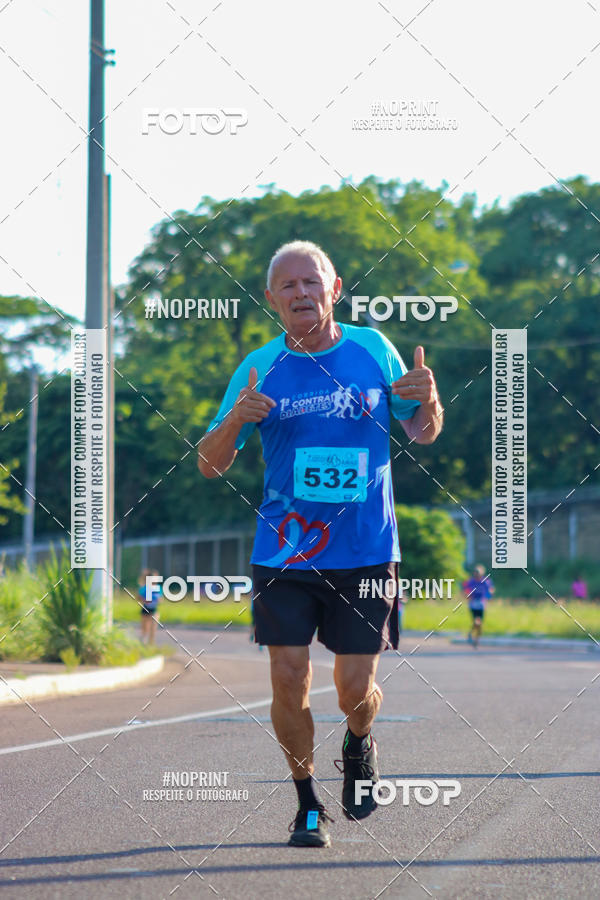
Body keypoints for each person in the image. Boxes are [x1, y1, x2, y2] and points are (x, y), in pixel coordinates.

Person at [198, 240, 443, 847]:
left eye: (313, 283)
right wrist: (236, 421)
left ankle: (360, 743)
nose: (301, 293)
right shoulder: (259, 365)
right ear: (272, 299)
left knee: (355, 690)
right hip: (284, 551)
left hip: (364, 549)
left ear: (335, 290)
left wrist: (429, 398)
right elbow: (209, 463)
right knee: (288, 676)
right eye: (288, 285)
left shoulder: (373, 350)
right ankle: (307, 802)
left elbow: (424, 432)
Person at [462, 564, 494, 647]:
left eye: (478, 573)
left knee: (479, 624)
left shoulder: (486, 581)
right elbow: (466, 589)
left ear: (481, 573)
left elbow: (490, 590)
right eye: (475, 573)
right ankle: (473, 636)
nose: (476, 575)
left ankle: (475, 639)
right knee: (477, 621)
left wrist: (488, 597)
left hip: (481, 604)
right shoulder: (471, 581)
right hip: (473, 604)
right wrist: (468, 595)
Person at [138, 568, 162, 645]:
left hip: (154, 610)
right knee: (145, 629)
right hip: (145, 610)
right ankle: (143, 643)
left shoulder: (158, 588)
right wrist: (144, 599)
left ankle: (151, 644)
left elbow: (161, 599)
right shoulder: (144, 588)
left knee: (153, 628)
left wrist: (159, 600)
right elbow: (138, 598)